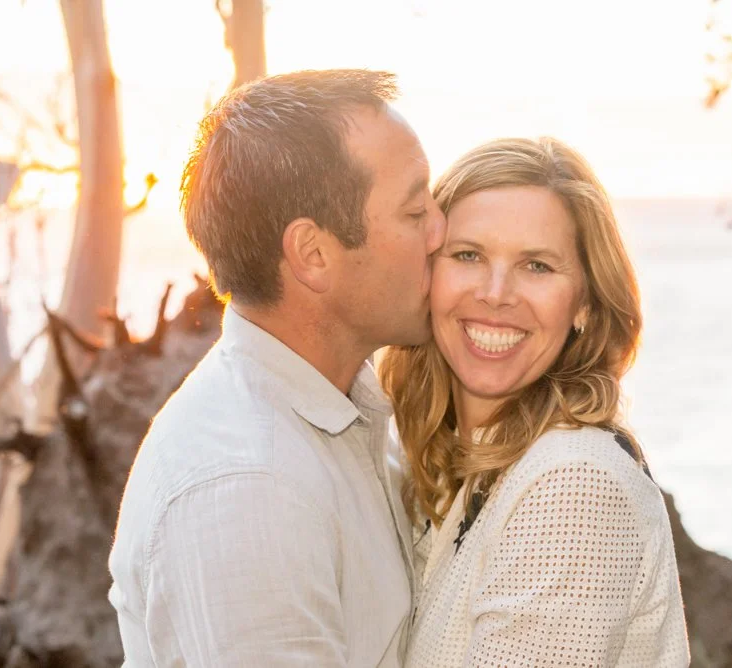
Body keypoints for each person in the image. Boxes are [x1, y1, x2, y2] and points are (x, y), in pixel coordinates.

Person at [108, 69, 446, 666]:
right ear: (313, 255)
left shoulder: (337, 412)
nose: (443, 232)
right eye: (415, 211)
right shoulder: (246, 486)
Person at [380, 137, 690, 667]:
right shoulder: (466, 469)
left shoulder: (574, 486)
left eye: (537, 266)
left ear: (585, 303)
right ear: (427, 275)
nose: (497, 292)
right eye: (468, 255)